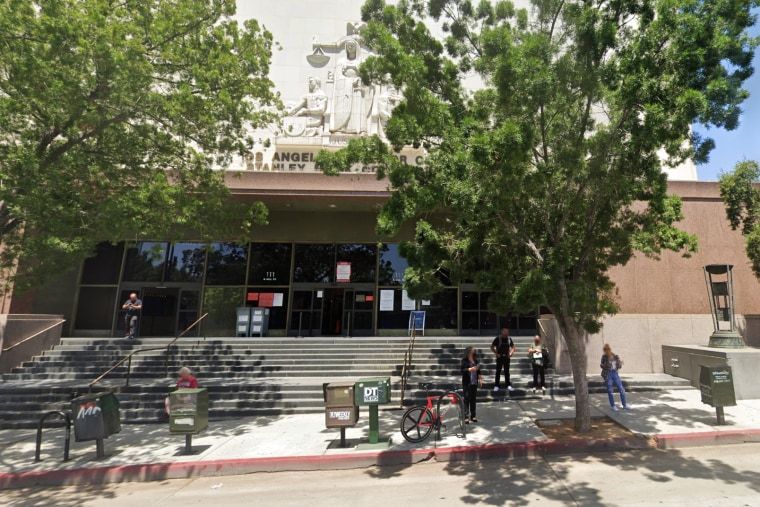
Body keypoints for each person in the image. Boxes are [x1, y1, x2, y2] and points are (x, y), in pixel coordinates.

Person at [600, 344, 631, 411]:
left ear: (610, 350)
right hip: (608, 374)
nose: (606, 352)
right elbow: (601, 365)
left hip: (615, 374)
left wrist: (618, 364)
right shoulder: (604, 357)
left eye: (607, 350)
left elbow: (619, 367)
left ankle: (624, 405)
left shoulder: (615, 356)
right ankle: (613, 405)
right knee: (610, 390)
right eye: (605, 351)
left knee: (621, 389)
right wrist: (606, 364)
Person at [460, 346, 483, 423]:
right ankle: (465, 416)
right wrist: (470, 369)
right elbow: (462, 370)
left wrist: (480, 379)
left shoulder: (475, 360)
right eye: (472, 350)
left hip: (474, 382)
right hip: (467, 383)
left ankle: (473, 416)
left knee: (473, 399)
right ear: (469, 352)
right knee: (466, 399)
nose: (474, 351)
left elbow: (478, 371)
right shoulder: (464, 360)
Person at [491, 327, 515, 392]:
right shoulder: (498, 338)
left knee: (507, 372)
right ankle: (496, 385)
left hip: (507, 357)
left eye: (507, 332)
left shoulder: (509, 339)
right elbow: (492, 347)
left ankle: (508, 385)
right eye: (505, 331)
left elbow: (513, 347)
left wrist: (511, 353)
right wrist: (496, 353)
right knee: (498, 371)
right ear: (502, 331)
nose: (506, 333)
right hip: (500, 357)